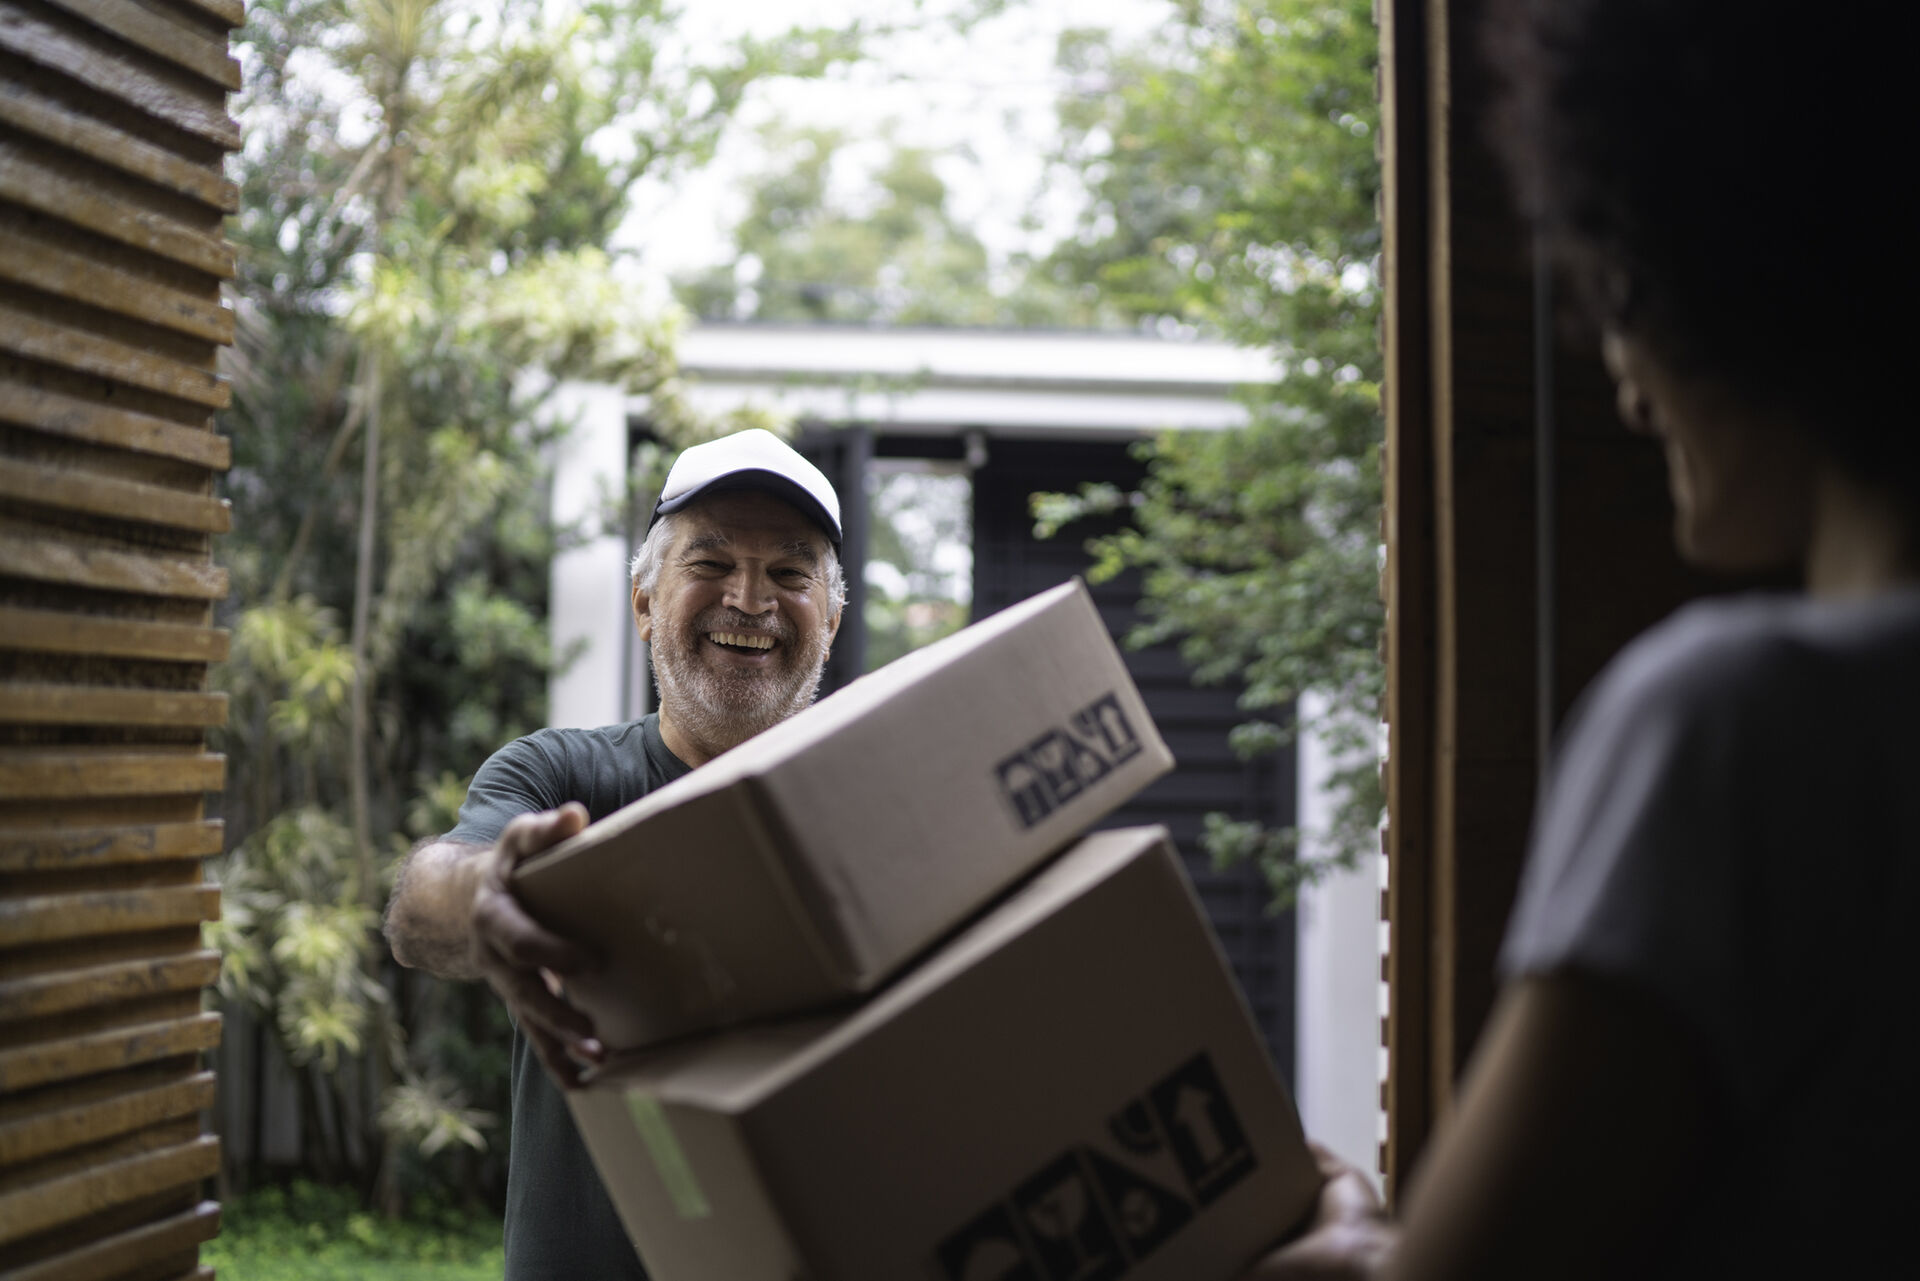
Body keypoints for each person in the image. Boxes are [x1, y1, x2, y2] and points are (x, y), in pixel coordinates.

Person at [1246, 2, 1916, 1277]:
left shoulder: (1743, 723)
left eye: (1622, 289)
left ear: (1739, 272)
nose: (1619, 373)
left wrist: (1340, 1239)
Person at [383, 429, 848, 1280]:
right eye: (709, 564)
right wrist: (491, 890)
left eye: (790, 572)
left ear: (832, 621)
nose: (749, 600)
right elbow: (425, 906)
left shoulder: (872, 801)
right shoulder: (562, 777)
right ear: (643, 602)